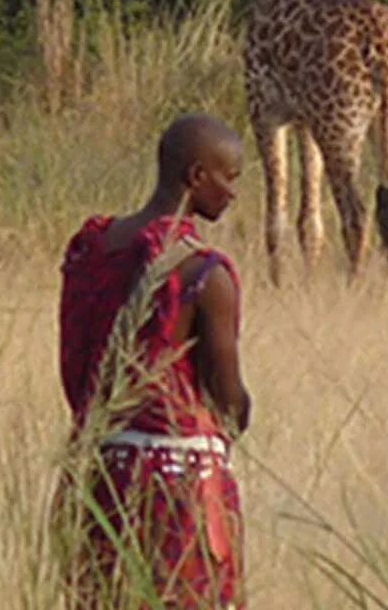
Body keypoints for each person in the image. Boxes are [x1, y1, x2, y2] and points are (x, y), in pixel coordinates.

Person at [56, 113, 252, 609]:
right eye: (229, 177)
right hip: (180, 482)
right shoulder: (205, 274)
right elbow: (229, 401)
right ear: (196, 177)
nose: (232, 193)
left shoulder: (92, 250)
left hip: (99, 469)